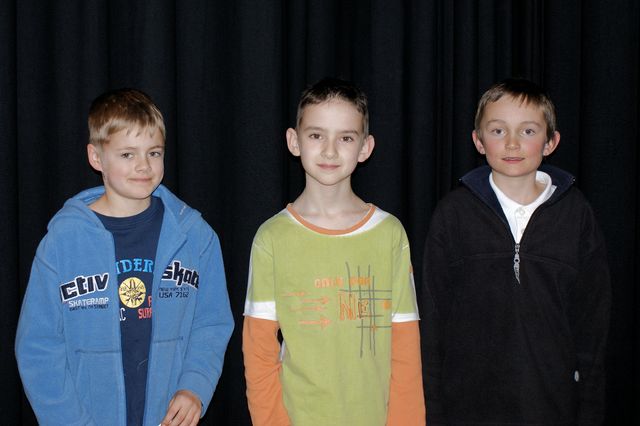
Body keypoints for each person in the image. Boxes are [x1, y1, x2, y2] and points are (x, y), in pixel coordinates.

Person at [15, 88, 234, 426]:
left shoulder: (195, 236)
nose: (143, 166)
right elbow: (38, 345)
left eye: (154, 152)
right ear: (96, 157)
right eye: (127, 154)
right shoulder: (63, 242)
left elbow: (212, 324)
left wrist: (195, 387)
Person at [421, 78, 611, 425]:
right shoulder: (453, 214)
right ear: (478, 140)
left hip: (550, 404)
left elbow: (593, 323)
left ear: (550, 142)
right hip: (467, 407)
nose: (512, 143)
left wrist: (589, 409)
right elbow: (432, 323)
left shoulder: (576, 214)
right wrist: (432, 411)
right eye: (498, 131)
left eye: (528, 131)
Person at [242, 77, 425, 426]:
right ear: (294, 141)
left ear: (365, 147)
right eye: (316, 135)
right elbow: (258, 350)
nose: (329, 151)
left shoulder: (390, 234)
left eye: (345, 138)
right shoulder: (271, 238)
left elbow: (405, 349)